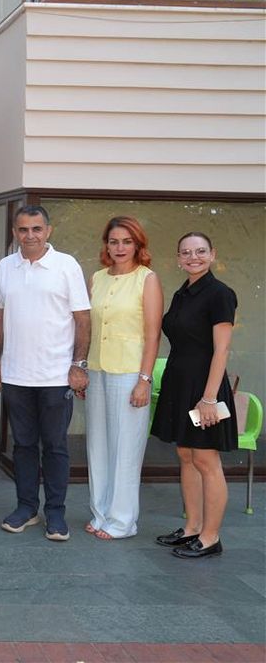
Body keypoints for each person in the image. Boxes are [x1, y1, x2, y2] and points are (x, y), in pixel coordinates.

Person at [0, 205, 90, 542]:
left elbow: (82, 320)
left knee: (56, 447)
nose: (29, 236)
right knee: (23, 446)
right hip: (17, 375)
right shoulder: (5, 268)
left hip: (56, 376)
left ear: (48, 231)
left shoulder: (66, 267)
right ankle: (26, 508)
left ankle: (56, 514)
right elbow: (0, 320)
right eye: (23, 230)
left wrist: (78, 365)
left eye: (36, 229)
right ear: (15, 233)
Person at [152, 232, 238, 559]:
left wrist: (209, 398)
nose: (193, 257)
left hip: (205, 387)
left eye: (200, 251)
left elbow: (222, 349)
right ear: (178, 258)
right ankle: (192, 527)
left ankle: (211, 537)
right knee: (186, 456)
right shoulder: (183, 293)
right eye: (186, 252)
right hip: (180, 383)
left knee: (205, 459)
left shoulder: (219, 294)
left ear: (212, 254)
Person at [85, 216, 162, 541]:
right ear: (106, 245)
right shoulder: (98, 278)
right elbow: (88, 326)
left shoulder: (147, 279)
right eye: (114, 241)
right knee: (98, 445)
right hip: (97, 368)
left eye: (126, 241)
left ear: (138, 245)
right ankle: (101, 513)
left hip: (130, 371)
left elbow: (153, 334)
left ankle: (122, 521)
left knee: (126, 448)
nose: (119, 247)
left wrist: (144, 379)